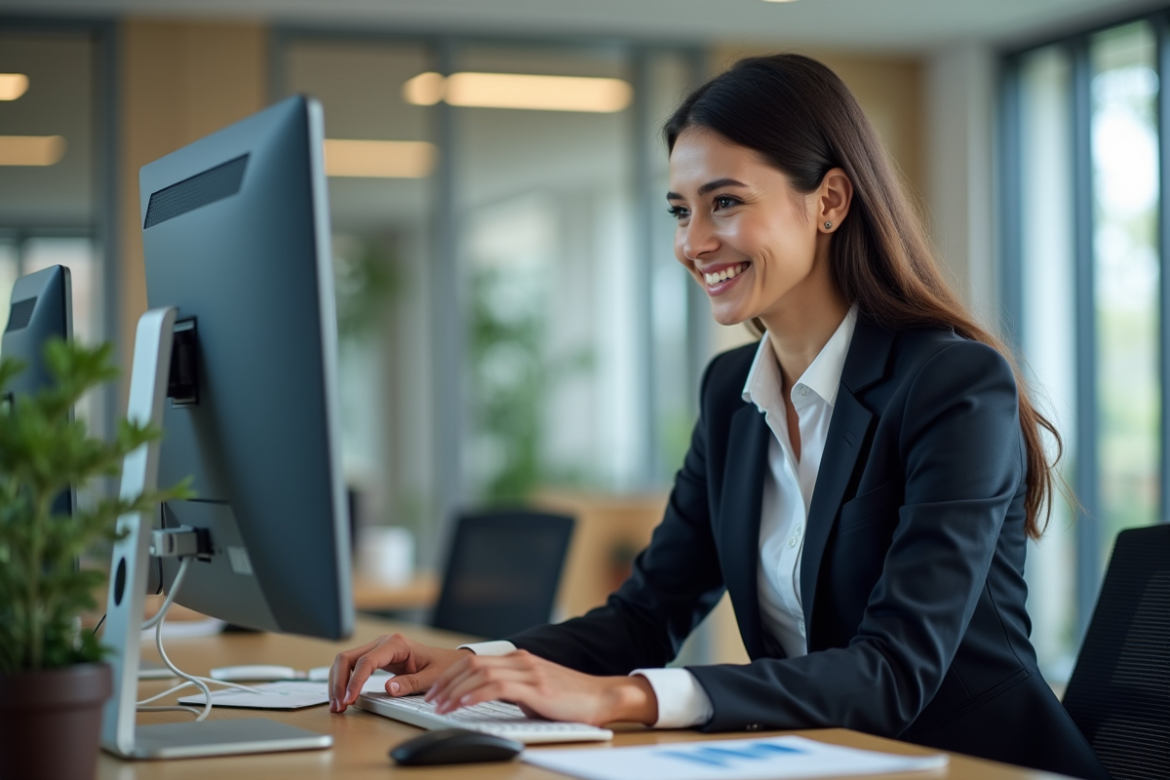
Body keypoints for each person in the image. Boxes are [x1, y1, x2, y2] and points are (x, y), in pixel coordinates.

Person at [330, 54, 1108, 780]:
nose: (692, 243)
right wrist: (472, 663)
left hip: (982, 766)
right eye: (680, 211)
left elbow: (894, 671)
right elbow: (645, 616)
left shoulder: (951, 384)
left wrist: (619, 696)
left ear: (830, 201)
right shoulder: (731, 391)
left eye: (725, 203)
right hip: (830, 761)